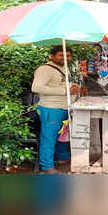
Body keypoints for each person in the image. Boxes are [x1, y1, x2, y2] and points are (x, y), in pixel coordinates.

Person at [32, 46, 81, 174]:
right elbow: (36, 87)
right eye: (61, 55)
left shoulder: (64, 68)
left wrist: (73, 87)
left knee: (63, 136)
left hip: (64, 108)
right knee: (49, 138)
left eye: (68, 55)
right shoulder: (44, 70)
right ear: (51, 56)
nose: (65, 58)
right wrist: (65, 91)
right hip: (51, 109)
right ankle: (47, 166)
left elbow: (61, 84)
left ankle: (63, 159)